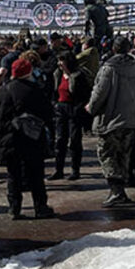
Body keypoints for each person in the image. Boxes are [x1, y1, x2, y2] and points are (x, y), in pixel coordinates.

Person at [87, 37, 135, 208]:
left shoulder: (109, 68)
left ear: (113, 49)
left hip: (111, 119)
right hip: (132, 119)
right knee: (124, 155)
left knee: (107, 154)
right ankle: (120, 190)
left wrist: (91, 108)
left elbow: (99, 93)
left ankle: (116, 191)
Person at [0, 58, 56, 220]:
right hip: (31, 139)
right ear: (28, 72)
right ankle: (40, 207)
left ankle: (14, 208)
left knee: (13, 175)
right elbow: (47, 113)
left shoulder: (3, 91)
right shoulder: (35, 90)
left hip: (9, 139)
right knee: (36, 174)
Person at [50, 49, 93, 181]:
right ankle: (59, 169)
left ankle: (75, 169)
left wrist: (79, 108)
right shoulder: (57, 75)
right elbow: (54, 92)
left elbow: (86, 94)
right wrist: (55, 104)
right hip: (61, 108)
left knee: (75, 141)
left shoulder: (78, 76)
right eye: (59, 61)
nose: (60, 64)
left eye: (62, 61)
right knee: (60, 140)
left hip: (74, 108)